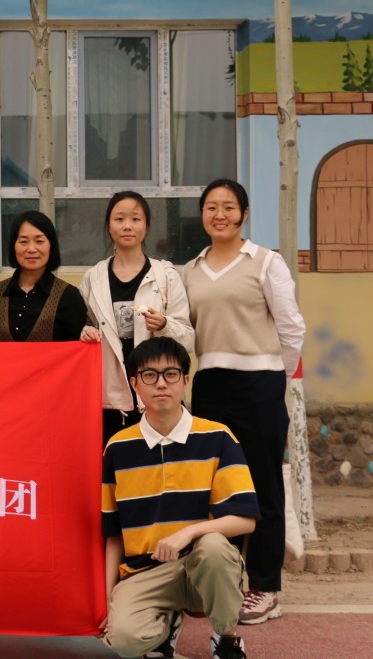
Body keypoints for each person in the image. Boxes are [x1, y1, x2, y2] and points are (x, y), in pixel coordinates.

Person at [181, 178, 305, 626]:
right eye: (211, 207)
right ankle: (224, 582)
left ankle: (265, 588)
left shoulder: (266, 262)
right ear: (202, 215)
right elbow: (185, 329)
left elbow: (291, 328)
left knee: (263, 488)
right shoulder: (190, 270)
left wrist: (274, 378)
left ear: (244, 214)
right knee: (217, 489)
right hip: (210, 386)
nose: (220, 215)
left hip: (260, 387)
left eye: (229, 207)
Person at [102, 336, 257, 659]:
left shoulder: (218, 437)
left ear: (185, 381)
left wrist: (189, 532)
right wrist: (105, 601)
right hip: (144, 572)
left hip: (203, 567)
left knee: (214, 547)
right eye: (149, 375)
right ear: (135, 384)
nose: (161, 384)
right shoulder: (118, 448)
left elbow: (245, 519)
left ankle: (226, 638)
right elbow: (114, 534)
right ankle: (165, 626)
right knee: (124, 642)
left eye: (170, 374)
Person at [79, 191, 195, 443]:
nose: (127, 226)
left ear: (147, 226)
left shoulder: (166, 276)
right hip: (111, 401)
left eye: (135, 219)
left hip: (158, 396)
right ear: (109, 226)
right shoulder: (94, 278)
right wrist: (84, 332)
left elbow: (188, 339)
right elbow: (83, 328)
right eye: (119, 219)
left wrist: (164, 325)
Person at [0, 210, 87, 342]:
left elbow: (78, 349)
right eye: (23, 241)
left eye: (39, 241)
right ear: (13, 246)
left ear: (51, 247)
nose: (31, 249)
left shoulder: (69, 296)